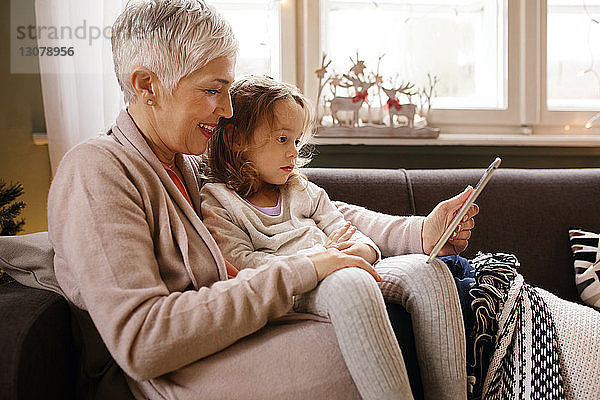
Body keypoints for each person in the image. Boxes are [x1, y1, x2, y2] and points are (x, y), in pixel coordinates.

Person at [47, 1, 477, 399]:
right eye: (213, 90)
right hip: (182, 374)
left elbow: (317, 206)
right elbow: (143, 342)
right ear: (147, 86)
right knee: (360, 330)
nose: (229, 109)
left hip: (239, 335)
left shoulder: (188, 166)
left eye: (229, 89)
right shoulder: (97, 170)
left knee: (427, 275)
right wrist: (306, 268)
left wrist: (419, 231)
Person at [200, 75, 478, 400]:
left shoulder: (303, 190)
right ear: (236, 138)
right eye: (281, 139)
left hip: (340, 265)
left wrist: (355, 251)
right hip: (295, 286)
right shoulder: (219, 201)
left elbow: (361, 242)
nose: (293, 153)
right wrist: (317, 262)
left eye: (297, 141)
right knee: (350, 282)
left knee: (428, 271)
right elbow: (243, 266)